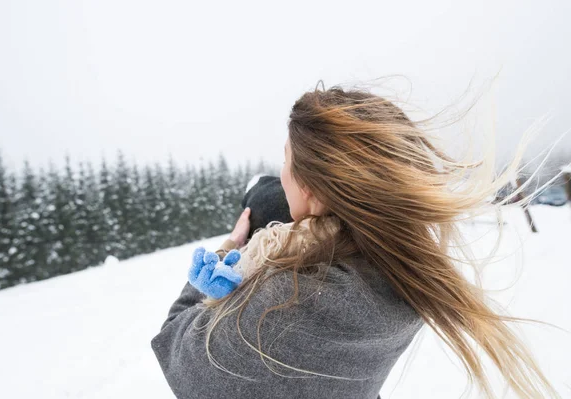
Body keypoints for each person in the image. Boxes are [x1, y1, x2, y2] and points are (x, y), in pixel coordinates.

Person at [151, 84, 562, 398]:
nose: (283, 171)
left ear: (314, 190)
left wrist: (232, 252)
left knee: (263, 198)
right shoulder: (405, 269)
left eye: (286, 159)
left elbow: (175, 347)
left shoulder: (279, 303)